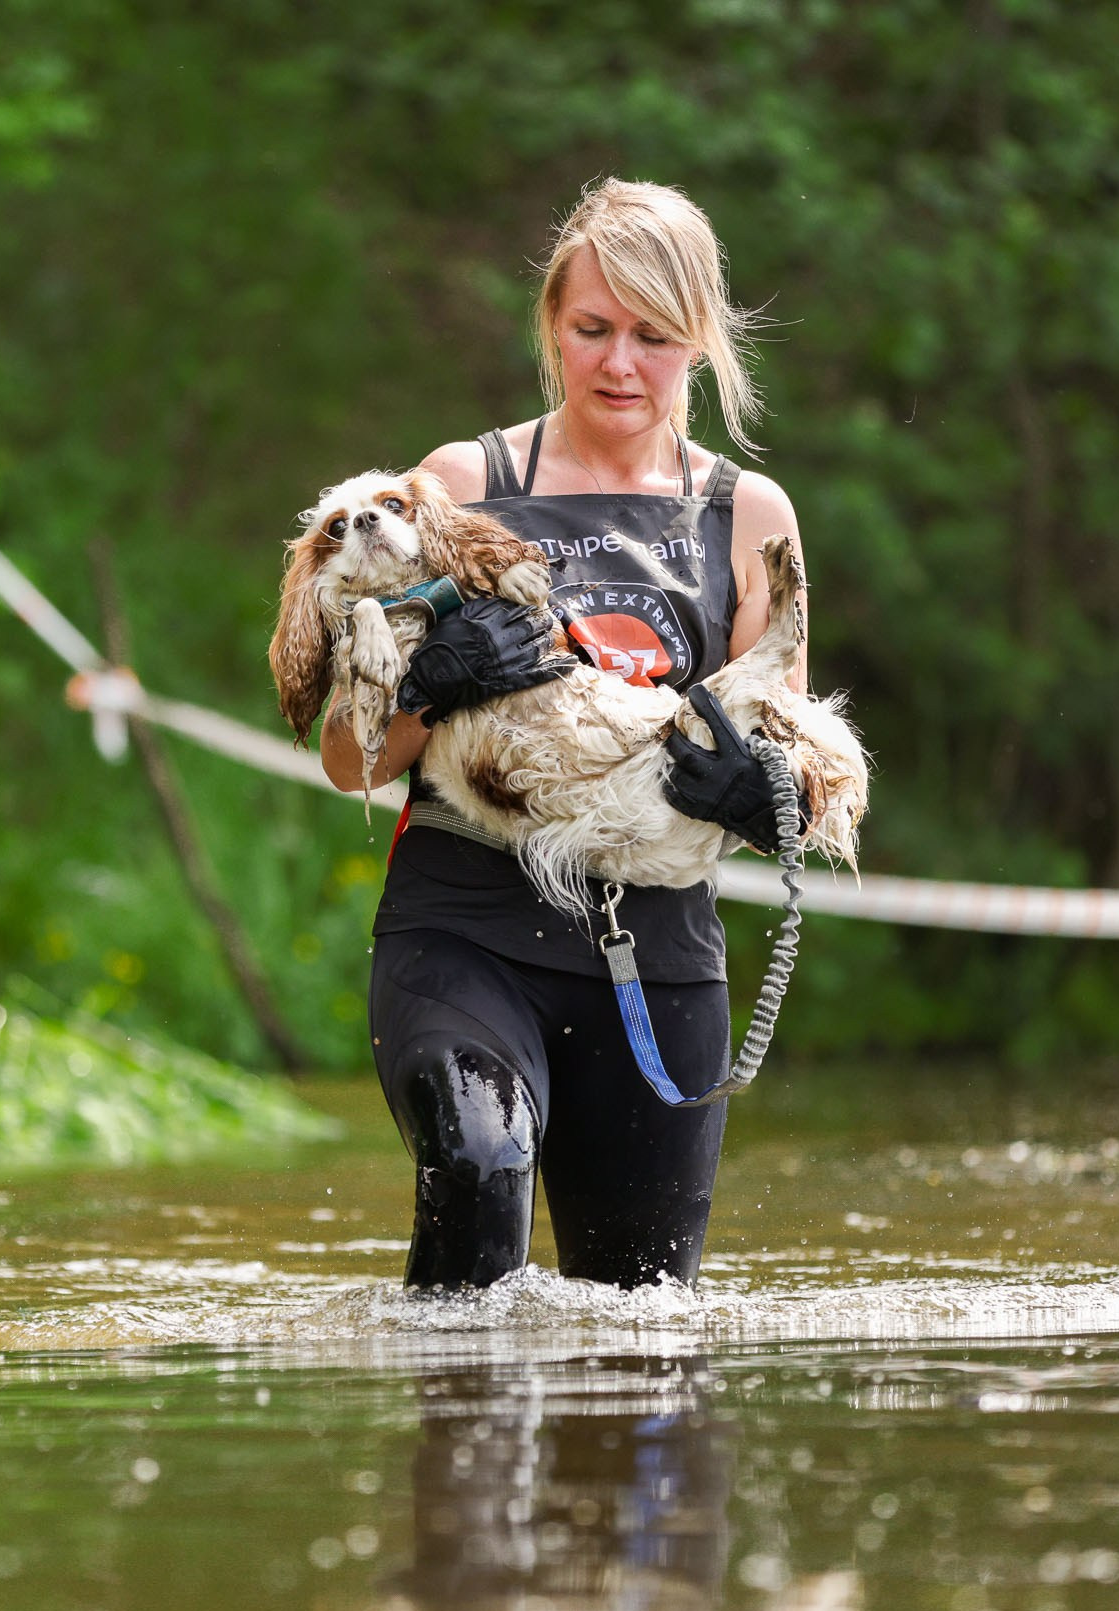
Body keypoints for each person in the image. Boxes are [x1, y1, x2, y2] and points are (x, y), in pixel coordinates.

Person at [319, 178, 812, 1292]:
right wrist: (427, 682)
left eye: (652, 336)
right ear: (550, 327)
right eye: (592, 330)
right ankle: (459, 1437)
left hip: (658, 963)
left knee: (641, 1367)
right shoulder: (458, 486)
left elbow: (807, 773)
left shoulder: (752, 519)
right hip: (465, 931)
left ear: (700, 342)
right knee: (478, 1162)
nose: (619, 365)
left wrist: (758, 790)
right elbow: (348, 760)